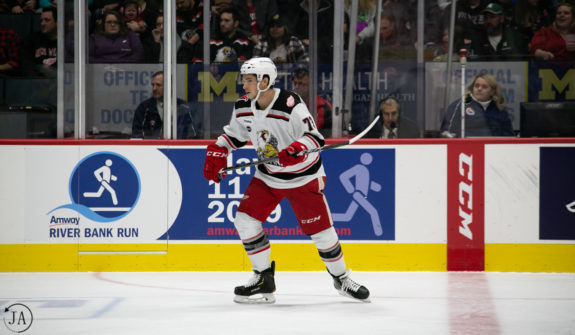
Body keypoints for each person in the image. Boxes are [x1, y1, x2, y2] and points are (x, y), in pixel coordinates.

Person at [202, 57, 370, 304]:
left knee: (321, 232)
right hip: (267, 177)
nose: (244, 85)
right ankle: (263, 278)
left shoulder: (291, 104)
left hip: (303, 177)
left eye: (249, 80)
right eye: (244, 80)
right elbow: (234, 137)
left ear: (265, 81)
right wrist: (218, 151)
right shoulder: (242, 106)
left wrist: (296, 149)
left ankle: (342, 278)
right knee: (245, 220)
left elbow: (315, 138)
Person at [441, 73, 514, 138]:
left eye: (484, 87)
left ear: (492, 91)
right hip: (467, 148)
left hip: (494, 149)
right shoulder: (460, 105)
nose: (479, 89)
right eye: (476, 86)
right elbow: (447, 133)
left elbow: (508, 137)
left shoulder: (499, 109)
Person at [132, 71, 199, 139]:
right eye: (153, 85)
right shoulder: (144, 108)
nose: (154, 88)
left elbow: (193, 136)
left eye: (158, 85)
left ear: (170, 86)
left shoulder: (184, 108)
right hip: (151, 149)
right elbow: (136, 135)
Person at [292, 68, 332, 137]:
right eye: (295, 83)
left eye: (301, 84)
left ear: (311, 86)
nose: (296, 87)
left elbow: (330, 133)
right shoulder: (288, 105)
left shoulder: (324, 107)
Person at [20, 6, 57, 77]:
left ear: (57, 22)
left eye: (47, 20)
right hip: (36, 83)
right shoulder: (31, 39)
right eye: (41, 20)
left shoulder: (65, 41)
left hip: (59, 83)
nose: (42, 23)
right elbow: (26, 65)